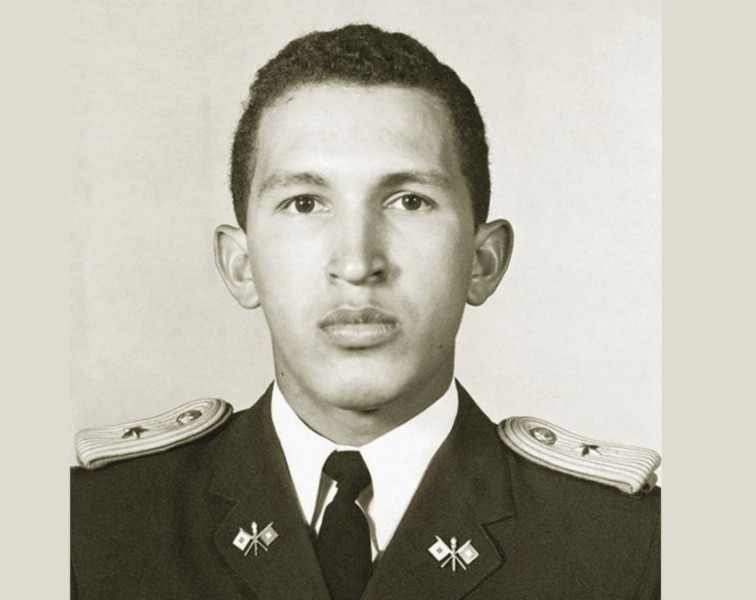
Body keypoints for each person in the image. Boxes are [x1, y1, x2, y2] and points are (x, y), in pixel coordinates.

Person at [70, 24, 661, 600]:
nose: (357, 263)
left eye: (410, 201)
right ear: (241, 265)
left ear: (482, 262)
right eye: (305, 203)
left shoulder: (634, 552)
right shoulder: (86, 534)